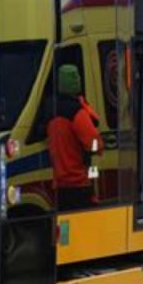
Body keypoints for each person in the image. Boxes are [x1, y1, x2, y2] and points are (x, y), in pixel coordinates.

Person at [47, 64, 102, 211]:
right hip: (79, 183)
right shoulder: (77, 113)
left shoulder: (51, 112)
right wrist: (98, 147)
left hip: (60, 185)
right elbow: (93, 143)